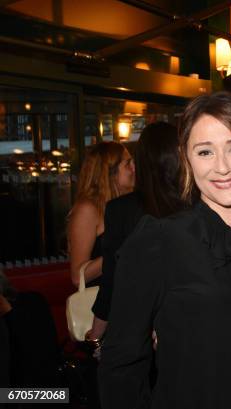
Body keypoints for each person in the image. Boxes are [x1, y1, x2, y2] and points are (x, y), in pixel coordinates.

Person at [98, 91, 231, 409]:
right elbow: (121, 368)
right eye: (205, 152)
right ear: (186, 157)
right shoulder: (158, 242)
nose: (222, 167)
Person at [87, 122, 185, 342]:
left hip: (137, 328)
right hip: (188, 325)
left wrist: (96, 335)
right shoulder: (198, 206)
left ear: (142, 162)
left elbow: (111, 281)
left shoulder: (120, 210)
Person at [67, 141, 135, 288]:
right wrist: (123, 249)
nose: (134, 168)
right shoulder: (88, 209)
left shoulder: (128, 203)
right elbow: (78, 277)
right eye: (128, 164)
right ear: (109, 172)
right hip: (102, 300)